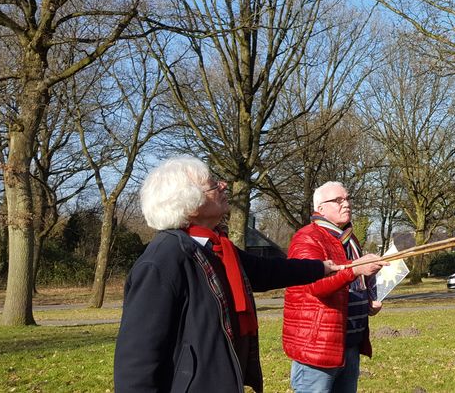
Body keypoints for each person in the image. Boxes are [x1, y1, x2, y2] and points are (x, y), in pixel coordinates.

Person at [114, 156, 340, 392]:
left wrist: (322, 268)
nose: (223, 185)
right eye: (213, 184)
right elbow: (137, 361)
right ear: (190, 204)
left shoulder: (217, 249)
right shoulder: (162, 261)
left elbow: (268, 271)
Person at [282, 181, 386, 393]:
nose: (346, 204)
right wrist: (356, 269)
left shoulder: (349, 238)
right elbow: (316, 286)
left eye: (347, 199)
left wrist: (368, 302)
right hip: (317, 349)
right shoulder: (307, 238)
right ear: (320, 208)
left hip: (349, 344)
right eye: (338, 200)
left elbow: (352, 283)